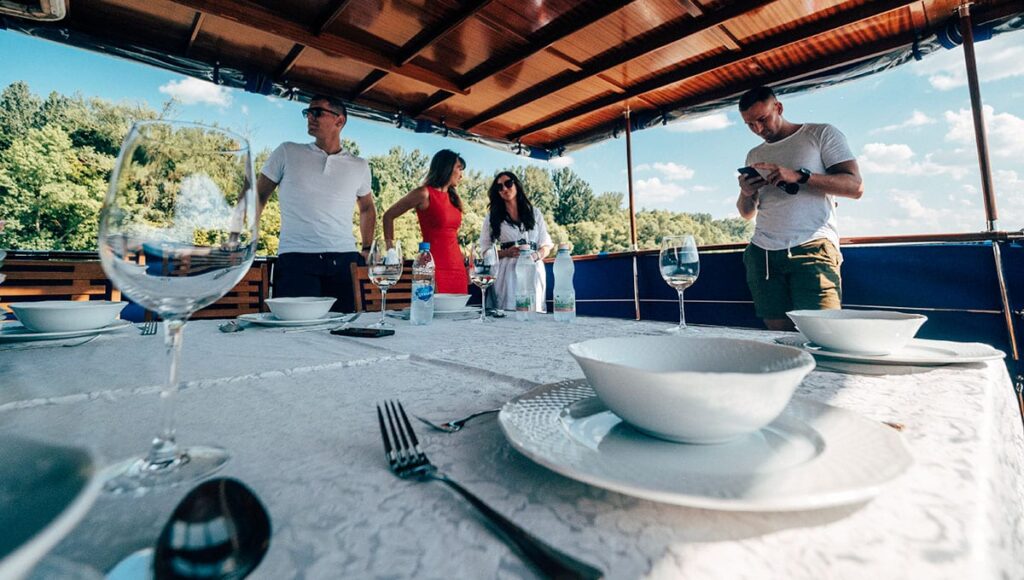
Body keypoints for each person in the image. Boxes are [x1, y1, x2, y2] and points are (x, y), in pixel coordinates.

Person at [735, 86, 863, 331]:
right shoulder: (754, 154)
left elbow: (855, 187)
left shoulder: (820, 134)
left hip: (813, 247)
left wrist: (800, 177)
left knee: (823, 334)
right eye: (750, 124)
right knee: (779, 339)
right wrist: (746, 192)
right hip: (762, 254)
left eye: (762, 119)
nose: (758, 129)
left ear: (779, 108)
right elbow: (746, 213)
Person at [257, 95, 376, 313]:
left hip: (344, 260)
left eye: (317, 112)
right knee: (293, 333)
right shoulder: (287, 151)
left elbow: (367, 207)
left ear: (340, 121)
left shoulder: (359, 165)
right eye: (308, 112)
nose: (310, 117)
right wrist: (242, 238)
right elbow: (258, 195)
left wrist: (367, 248)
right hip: (296, 258)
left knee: (346, 331)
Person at [381, 149, 469, 294]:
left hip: (457, 268)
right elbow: (388, 216)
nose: (461, 175)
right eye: (459, 168)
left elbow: (451, 236)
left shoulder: (453, 199)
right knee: (433, 311)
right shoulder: (424, 193)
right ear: (446, 167)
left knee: (457, 314)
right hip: (434, 266)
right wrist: (391, 250)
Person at [478, 172, 553, 312]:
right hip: (507, 272)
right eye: (500, 187)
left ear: (516, 184)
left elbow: (546, 244)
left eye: (508, 183)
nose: (505, 189)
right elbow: (484, 251)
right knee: (509, 313)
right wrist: (506, 252)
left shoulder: (534, 213)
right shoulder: (492, 217)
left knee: (533, 312)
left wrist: (535, 256)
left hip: (533, 269)